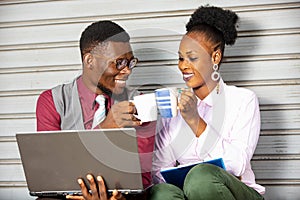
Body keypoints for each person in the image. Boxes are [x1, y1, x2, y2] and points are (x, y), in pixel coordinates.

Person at [150, 6, 265, 200]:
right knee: (161, 192)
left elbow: (237, 165)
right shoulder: (175, 106)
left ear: (215, 57)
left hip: (238, 194)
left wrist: (194, 120)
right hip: (191, 193)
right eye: (180, 58)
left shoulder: (243, 100)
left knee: (201, 178)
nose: (183, 66)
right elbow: (159, 170)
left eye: (192, 58)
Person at [36, 20, 156, 200]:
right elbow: (50, 174)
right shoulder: (52, 101)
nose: (127, 71)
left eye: (130, 63)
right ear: (89, 61)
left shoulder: (140, 103)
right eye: (119, 62)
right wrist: (107, 127)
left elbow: (143, 179)